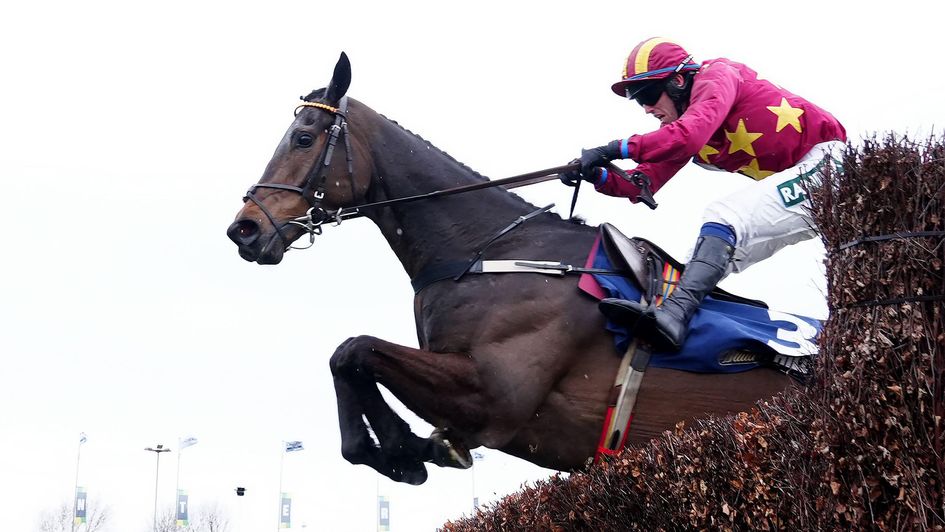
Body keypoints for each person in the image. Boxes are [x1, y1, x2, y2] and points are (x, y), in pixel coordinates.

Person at [563, 37, 846, 351]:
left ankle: (675, 316)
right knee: (694, 270)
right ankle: (680, 328)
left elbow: (687, 137)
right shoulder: (687, 125)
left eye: (648, 94)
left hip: (831, 167)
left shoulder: (716, 76)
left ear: (679, 81)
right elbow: (642, 183)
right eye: (636, 99)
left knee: (724, 217)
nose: (645, 108)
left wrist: (614, 148)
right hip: (805, 191)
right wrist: (596, 175)